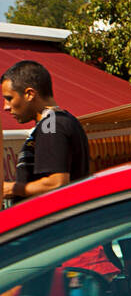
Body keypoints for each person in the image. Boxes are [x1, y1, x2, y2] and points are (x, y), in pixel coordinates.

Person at [1, 60, 91, 203]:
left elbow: (57, 182)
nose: (6, 107)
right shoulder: (61, 121)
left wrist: (11, 189)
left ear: (30, 94)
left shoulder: (51, 125)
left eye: (9, 98)